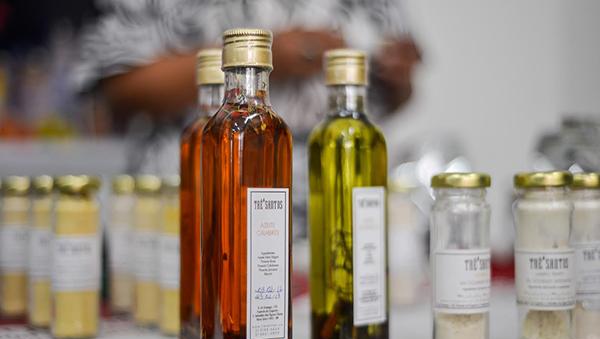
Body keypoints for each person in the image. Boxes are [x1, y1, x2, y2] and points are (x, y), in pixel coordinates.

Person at [75, 0, 421, 237]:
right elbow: (116, 92)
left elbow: (393, 94)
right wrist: (262, 57)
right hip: (196, 216)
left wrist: (397, 78)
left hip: (333, 218)